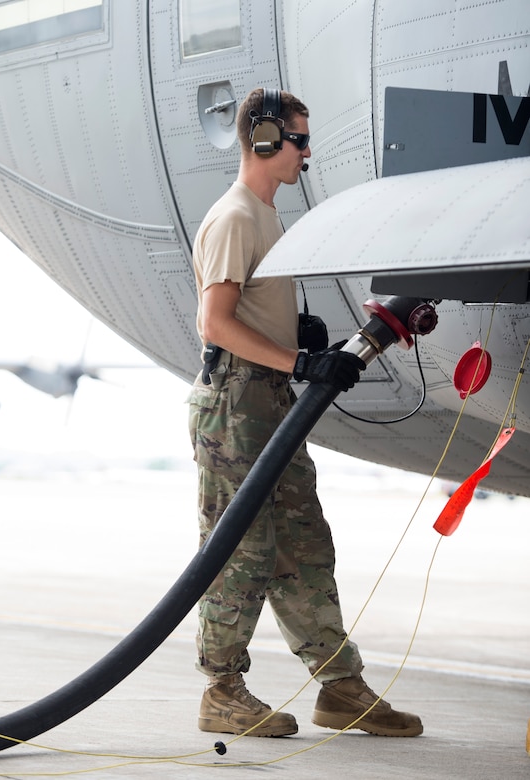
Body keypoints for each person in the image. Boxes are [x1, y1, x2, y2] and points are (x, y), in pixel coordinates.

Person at [188, 87, 423, 738]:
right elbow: (214, 322)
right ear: (263, 141)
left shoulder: (265, 216)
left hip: (268, 398)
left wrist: (295, 334)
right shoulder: (237, 216)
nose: (306, 152)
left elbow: (247, 309)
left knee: (302, 544)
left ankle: (340, 688)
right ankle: (221, 692)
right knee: (240, 551)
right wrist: (298, 362)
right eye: (297, 139)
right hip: (237, 402)